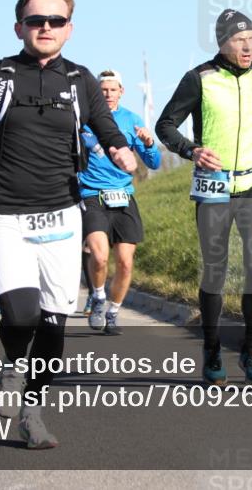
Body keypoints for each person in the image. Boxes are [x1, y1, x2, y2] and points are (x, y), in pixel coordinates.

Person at [0, 0, 137, 448]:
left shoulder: (80, 80)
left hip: (63, 214)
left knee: (53, 325)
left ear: (69, 28)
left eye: (55, 20)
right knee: (21, 311)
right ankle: (12, 365)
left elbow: (103, 123)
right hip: (6, 213)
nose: (45, 27)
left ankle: (32, 412)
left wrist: (119, 148)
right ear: (19, 27)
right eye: (36, 20)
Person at [156, 9, 252, 386]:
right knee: (216, 270)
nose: (248, 46)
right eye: (240, 40)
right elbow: (165, 125)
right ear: (223, 43)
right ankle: (211, 349)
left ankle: (251, 349)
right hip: (213, 185)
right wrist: (191, 150)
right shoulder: (199, 79)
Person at [80, 69, 162, 335]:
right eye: (102, 90)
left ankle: (113, 312)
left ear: (121, 92)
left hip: (123, 195)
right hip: (92, 194)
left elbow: (154, 163)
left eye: (112, 90)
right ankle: (98, 297)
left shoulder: (131, 119)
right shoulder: (84, 119)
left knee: (125, 263)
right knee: (100, 256)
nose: (107, 94)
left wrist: (149, 144)